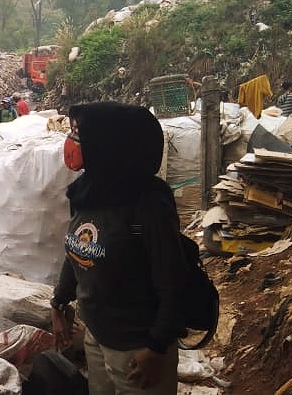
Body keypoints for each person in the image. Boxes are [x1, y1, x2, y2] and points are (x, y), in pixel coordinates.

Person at [51, 102, 187, 395]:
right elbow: (78, 252)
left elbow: (174, 281)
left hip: (137, 350)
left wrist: (157, 346)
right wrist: (58, 303)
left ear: (109, 143)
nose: (72, 142)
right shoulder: (89, 190)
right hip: (97, 337)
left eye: (80, 133)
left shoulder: (147, 207)